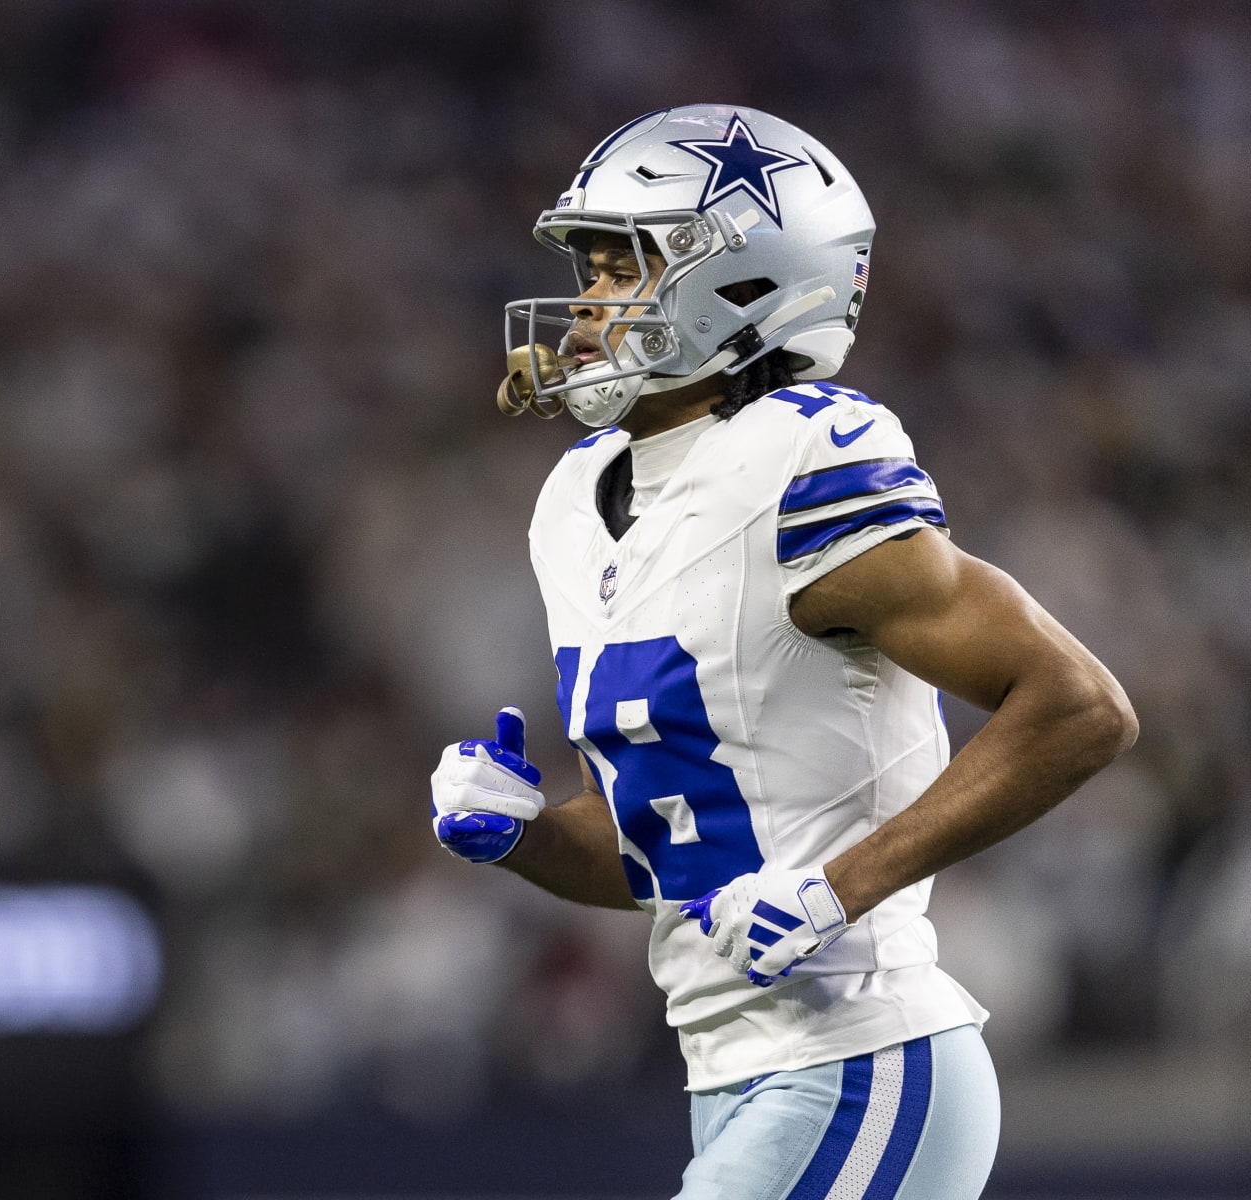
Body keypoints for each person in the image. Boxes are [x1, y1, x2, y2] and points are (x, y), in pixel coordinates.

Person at [428, 105, 1137, 1200]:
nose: (582, 309)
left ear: (746, 284)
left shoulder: (801, 461)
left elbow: (1080, 706)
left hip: (863, 1057)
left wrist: (843, 887)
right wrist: (522, 837)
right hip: (730, 1074)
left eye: (623, 269)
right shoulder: (576, 502)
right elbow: (653, 857)